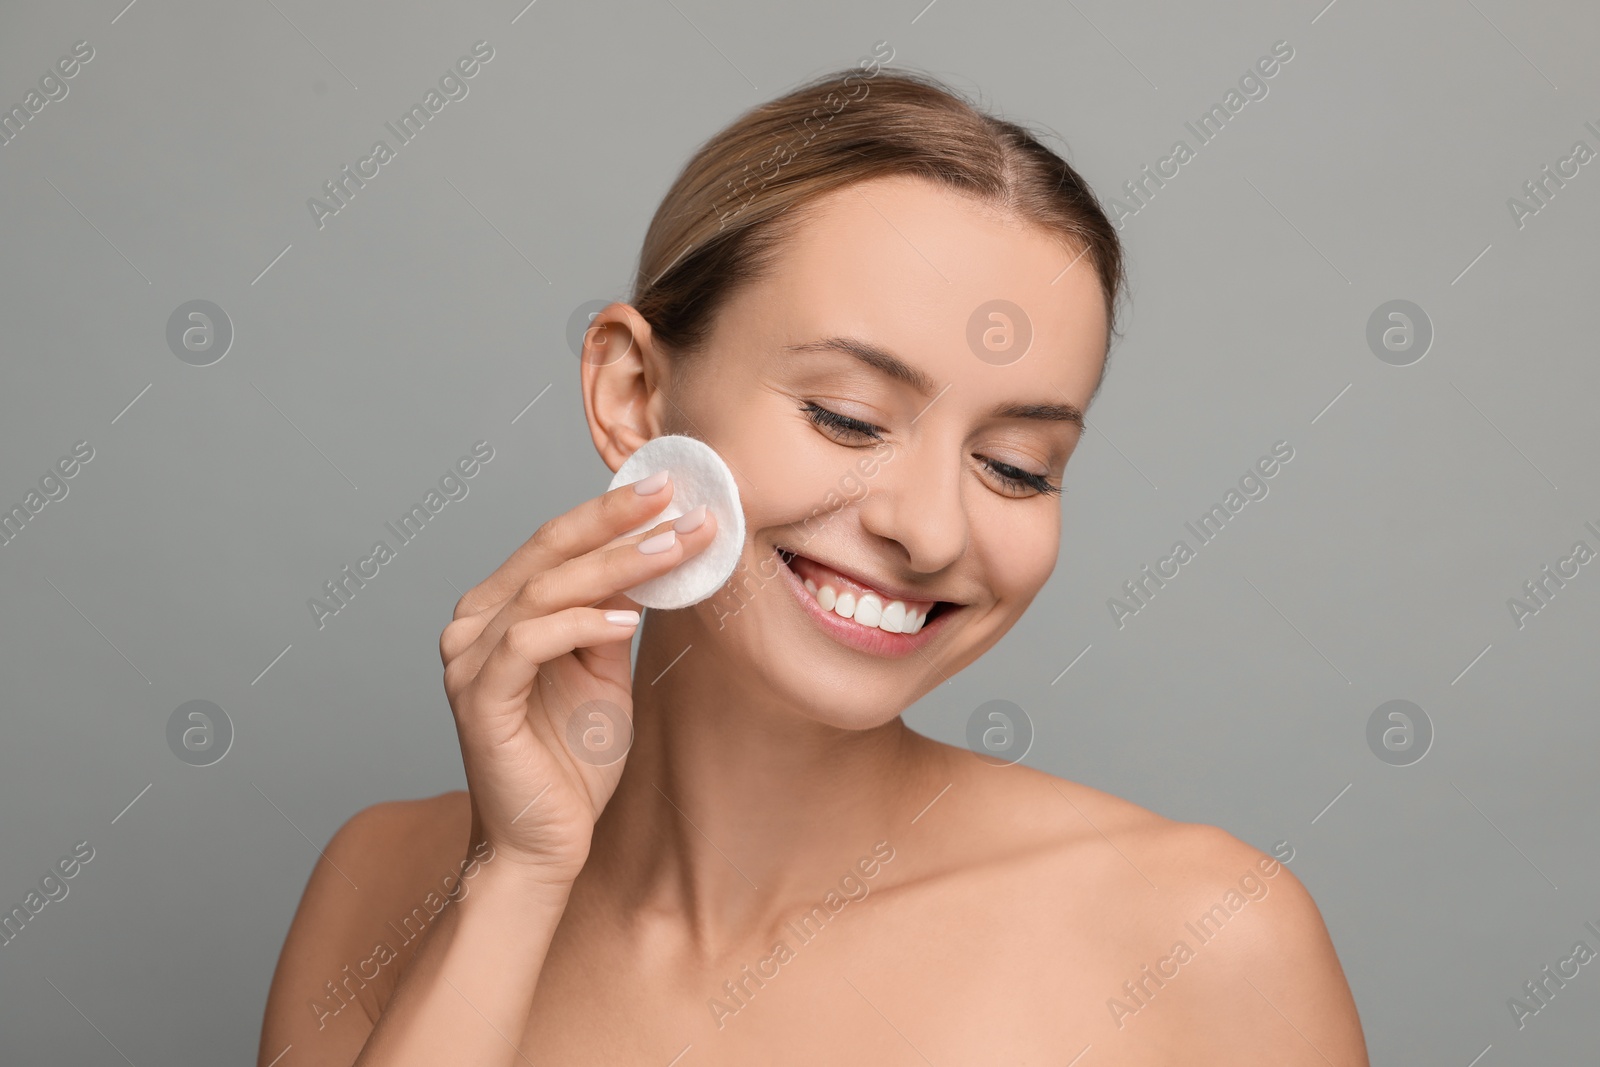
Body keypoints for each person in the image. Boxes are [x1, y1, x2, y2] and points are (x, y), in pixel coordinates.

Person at [259, 61, 1369, 1065]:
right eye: (846, 417)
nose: (929, 530)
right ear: (633, 394)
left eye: (1017, 466)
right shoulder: (382, 886)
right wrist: (512, 884)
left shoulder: (1203, 941)